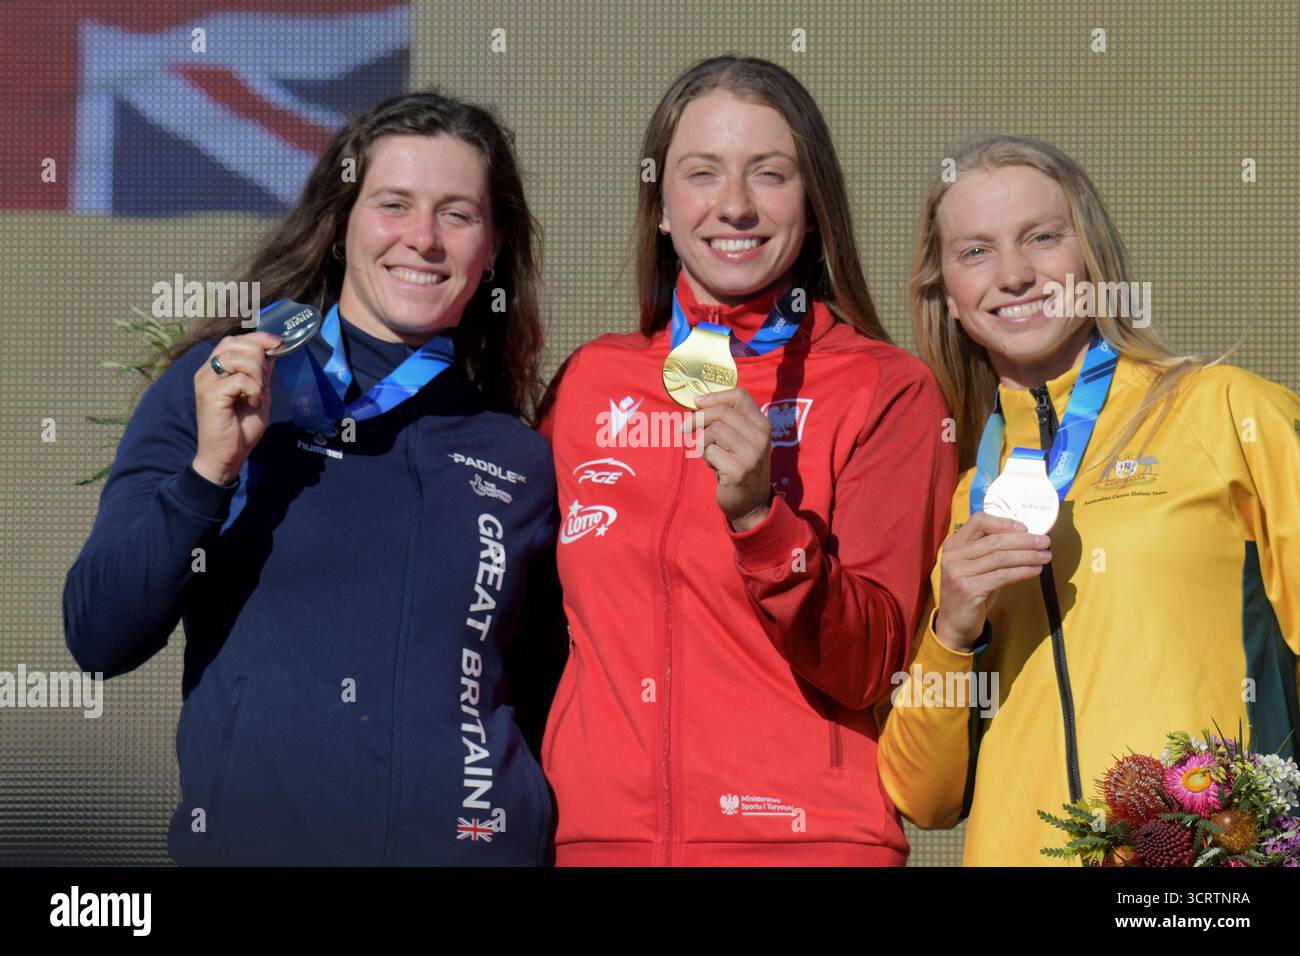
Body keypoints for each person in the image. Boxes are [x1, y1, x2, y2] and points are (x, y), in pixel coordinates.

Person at [63, 91, 561, 865]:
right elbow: (98, 634)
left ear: (492, 247)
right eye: (394, 204)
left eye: (458, 214)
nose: (423, 239)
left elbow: (539, 699)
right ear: (344, 220)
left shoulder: (519, 456)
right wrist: (210, 474)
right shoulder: (222, 384)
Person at [538, 56, 958, 866]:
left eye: (769, 175)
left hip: (805, 844)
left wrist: (763, 523)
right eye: (702, 175)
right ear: (661, 209)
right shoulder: (593, 383)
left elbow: (872, 663)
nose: (734, 205)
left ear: (813, 205)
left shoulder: (886, 390)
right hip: (596, 845)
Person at [877, 134, 1300, 865]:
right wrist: (952, 631)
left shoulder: (1229, 412)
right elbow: (923, 795)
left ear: (1092, 257)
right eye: (975, 252)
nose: (1013, 274)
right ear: (946, 292)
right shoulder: (965, 497)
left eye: (1042, 238)